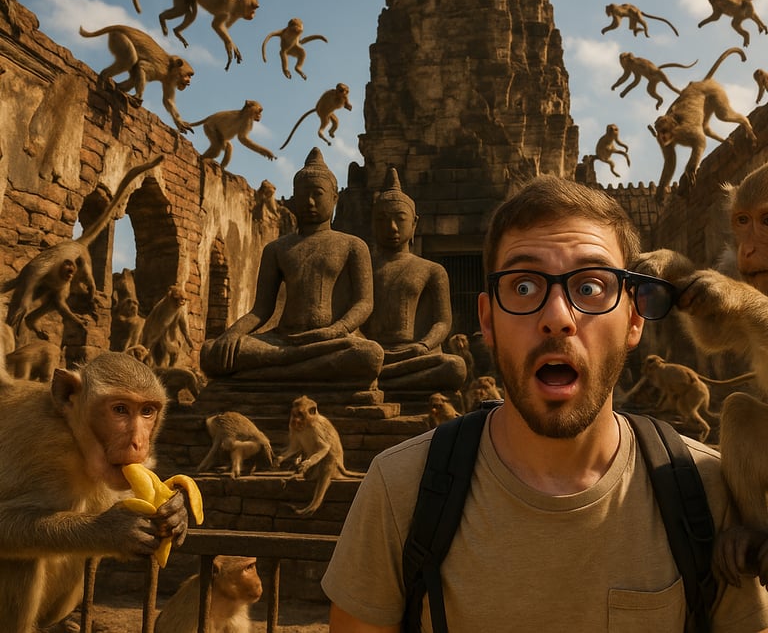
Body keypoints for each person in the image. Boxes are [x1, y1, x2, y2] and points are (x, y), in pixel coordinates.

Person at [321, 175, 768, 632]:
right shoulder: (400, 491)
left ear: (636, 318)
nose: (557, 318)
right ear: (487, 320)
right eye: (524, 287)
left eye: (590, 287)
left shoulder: (708, 492)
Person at [200, 147, 383, 386]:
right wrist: (233, 333)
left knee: (370, 356)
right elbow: (261, 310)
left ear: (334, 197)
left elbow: (364, 303)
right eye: (302, 194)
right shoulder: (276, 249)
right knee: (211, 354)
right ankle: (298, 371)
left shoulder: (352, 246)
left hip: (331, 341)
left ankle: (266, 376)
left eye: (317, 194)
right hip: (282, 341)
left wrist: (337, 330)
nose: (309, 201)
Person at [363, 166, 466, 394]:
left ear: (414, 223)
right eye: (382, 219)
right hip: (370, 354)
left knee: (455, 367)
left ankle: (376, 383)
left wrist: (423, 345)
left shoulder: (432, 270)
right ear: (373, 224)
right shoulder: (362, 266)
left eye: (400, 219)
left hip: (415, 355)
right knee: (355, 359)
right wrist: (364, 346)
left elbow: (442, 322)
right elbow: (353, 315)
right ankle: (379, 379)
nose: (392, 227)